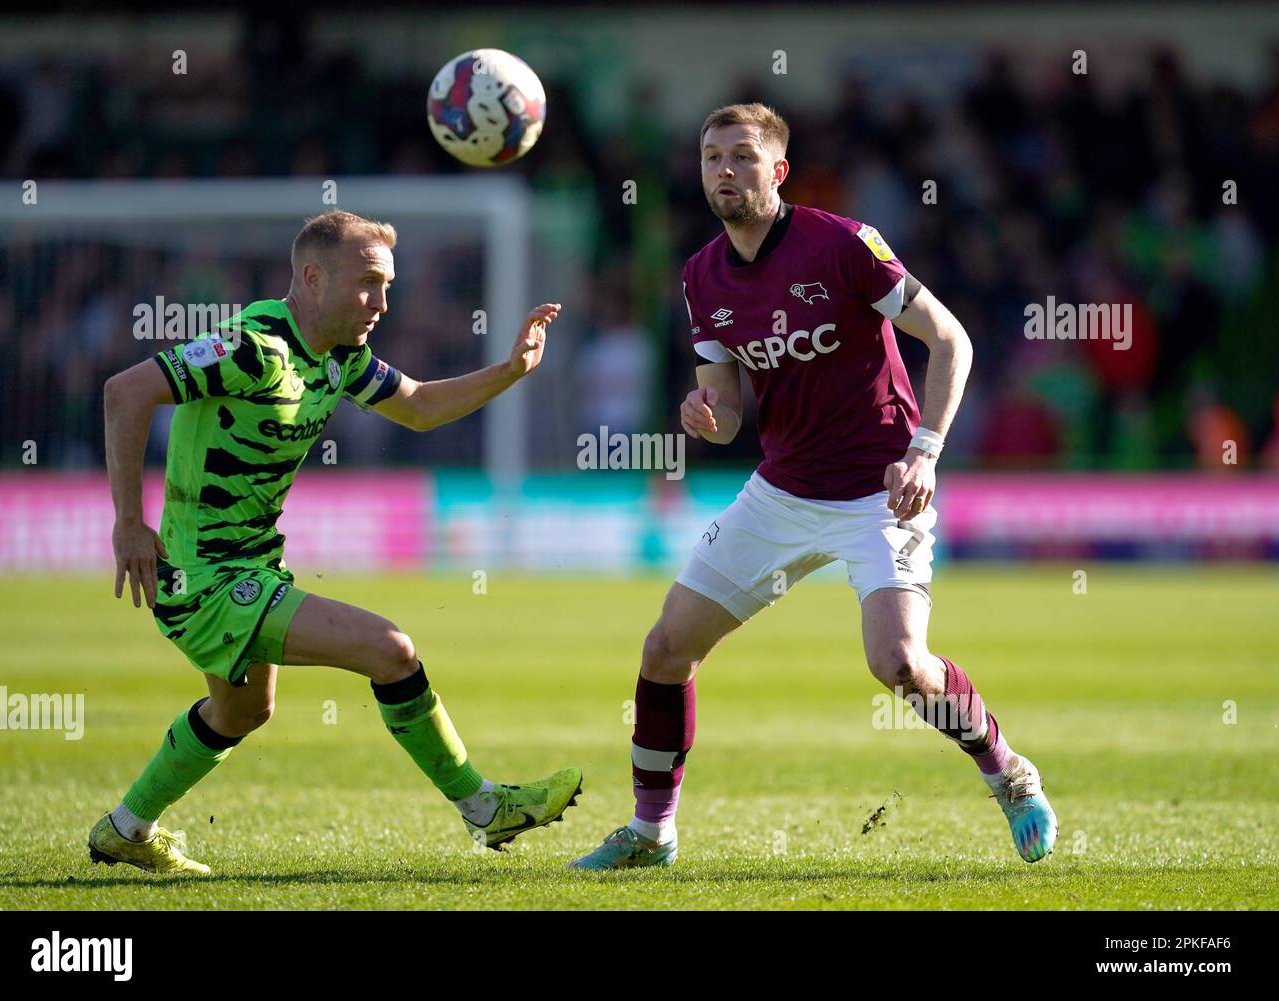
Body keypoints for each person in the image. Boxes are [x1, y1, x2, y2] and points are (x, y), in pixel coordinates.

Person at [569, 104, 1057, 870]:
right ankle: (651, 830)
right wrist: (705, 412)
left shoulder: (843, 244)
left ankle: (1010, 771)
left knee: (898, 662)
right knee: (666, 648)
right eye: (710, 158)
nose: (723, 171)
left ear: (778, 170)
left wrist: (925, 450)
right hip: (783, 492)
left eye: (740, 156)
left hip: (881, 489)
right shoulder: (701, 277)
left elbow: (950, 338)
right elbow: (726, 408)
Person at [90, 210, 579, 874]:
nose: (381, 302)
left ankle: (125, 828)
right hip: (204, 577)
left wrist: (512, 369)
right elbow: (127, 390)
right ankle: (484, 807)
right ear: (313, 278)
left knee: (241, 711)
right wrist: (127, 521)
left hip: (250, 565)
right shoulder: (252, 346)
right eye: (368, 283)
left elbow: (421, 406)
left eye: (388, 285)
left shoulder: (339, 356)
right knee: (391, 649)